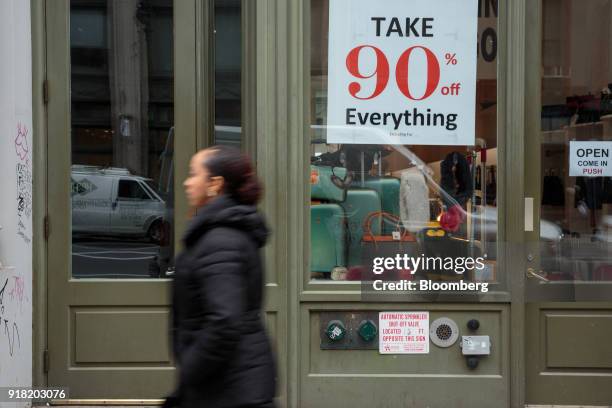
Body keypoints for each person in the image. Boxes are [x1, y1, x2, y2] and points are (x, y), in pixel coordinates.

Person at [165, 146, 276, 407]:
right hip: (229, 384)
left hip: (231, 389)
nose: (186, 182)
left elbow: (225, 321)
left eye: (193, 174)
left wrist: (191, 368)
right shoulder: (220, 233)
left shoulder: (221, 240)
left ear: (215, 184)